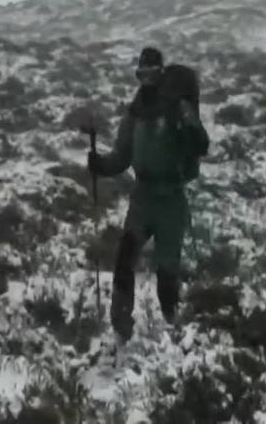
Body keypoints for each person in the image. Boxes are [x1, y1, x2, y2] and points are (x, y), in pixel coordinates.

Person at [88, 46, 209, 341]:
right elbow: (122, 157)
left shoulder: (178, 108)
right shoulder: (136, 113)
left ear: (161, 72)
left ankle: (173, 329)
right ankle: (121, 329)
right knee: (125, 257)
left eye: (151, 73)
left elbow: (201, 145)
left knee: (167, 271)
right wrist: (100, 165)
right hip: (143, 197)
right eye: (141, 74)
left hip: (171, 199)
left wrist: (189, 125)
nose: (146, 80)